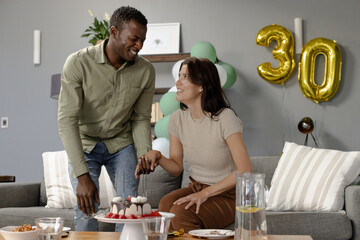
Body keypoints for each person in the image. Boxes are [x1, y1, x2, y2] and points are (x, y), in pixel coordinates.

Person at [58, 6, 155, 231]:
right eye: (134, 39)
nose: (139, 46)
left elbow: (140, 118)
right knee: (86, 210)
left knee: (129, 209)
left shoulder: (145, 71)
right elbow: (67, 120)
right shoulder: (78, 63)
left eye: (142, 40)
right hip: (86, 143)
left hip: (121, 143)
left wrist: (143, 153)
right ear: (113, 32)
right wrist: (82, 176)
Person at [135, 57, 252, 232]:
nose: (178, 82)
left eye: (186, 77)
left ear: (202, 86)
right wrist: (158, 155)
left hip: (229, 195)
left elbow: (245, 170)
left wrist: (204, 194)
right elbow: (176, 167)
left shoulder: (225, 118)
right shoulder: (177, 119)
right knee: (165, 205)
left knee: (181, 213)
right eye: (179, 75)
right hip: (196, 187)